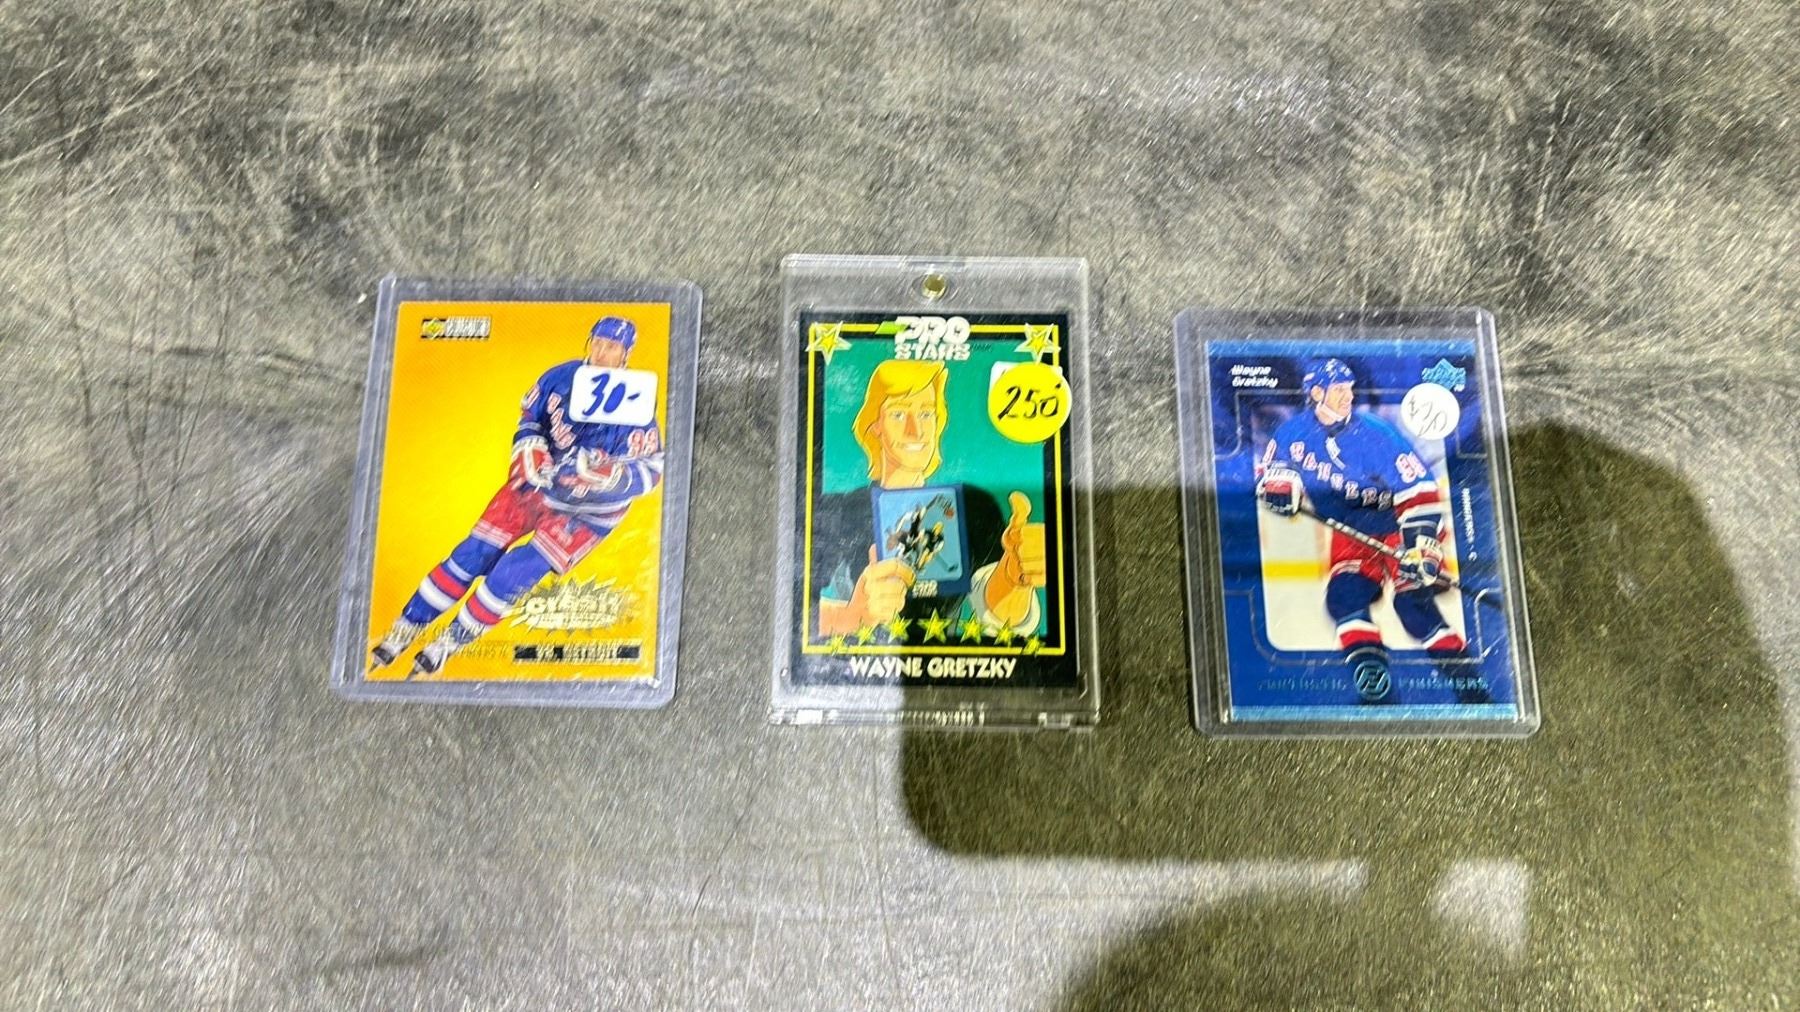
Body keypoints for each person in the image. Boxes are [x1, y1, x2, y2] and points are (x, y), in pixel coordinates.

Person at [368, 316, 664, 677]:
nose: (602, 353)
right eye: (598, 343)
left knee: (512, 574)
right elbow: (530, 416)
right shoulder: (560, 377)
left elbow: (653, 468)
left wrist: (615, 476)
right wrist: (530, 445)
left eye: (612, 347)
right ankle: (405, 628)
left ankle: (448, 643)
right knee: (471, 554)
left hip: (586, 513)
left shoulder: (637, 407)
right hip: (537, 486)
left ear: (626, 354)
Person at [1254, 358, 1477, 702]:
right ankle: (1377, 689)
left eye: (1350, 389)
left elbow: (1418, 488)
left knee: (1413, 609)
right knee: (1344, 598)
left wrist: (1421, 546)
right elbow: (1271, 472)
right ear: (1317, 393)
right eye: (1339, 390)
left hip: (1399, 525)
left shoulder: (1376, 433)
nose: (1348, 396)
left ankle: (1470, 687)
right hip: (1350, 530)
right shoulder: (1292, 432)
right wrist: (1279, 488)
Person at [810, 359, 1044, 643]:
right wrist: (852, 616)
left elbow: (999, 613)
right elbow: (797, 612)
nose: (916, 430)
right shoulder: (839, 511)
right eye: (898, 414)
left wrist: (1014, 576)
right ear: (875, 425)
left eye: (926, 413)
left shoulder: (974, 507)